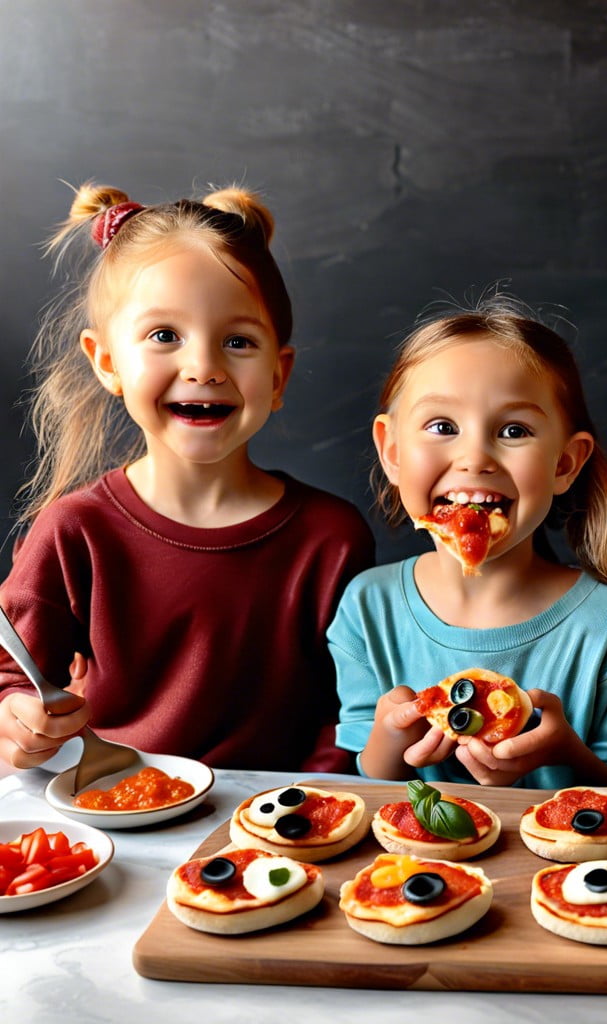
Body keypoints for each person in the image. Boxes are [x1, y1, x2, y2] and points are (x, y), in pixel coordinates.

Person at [0, 182, 374, 772]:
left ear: (278, 376)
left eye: (238, 341)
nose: (203, 367)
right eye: (164, 336)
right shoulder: (75, 529)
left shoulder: (332, 538)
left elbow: (350, 710)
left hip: (280, 824)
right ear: (106, 362)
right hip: (116, 807)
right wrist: (17, 715)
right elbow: (11, 675)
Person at [328, 298, 607, 789]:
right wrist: (391, 735)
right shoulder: (369, 607)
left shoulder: (606, 625)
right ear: (393, 451)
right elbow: (368, 778)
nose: (474, 458)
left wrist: (564, 753)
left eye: (514, 430)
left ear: (564, 465)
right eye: (443, 427)